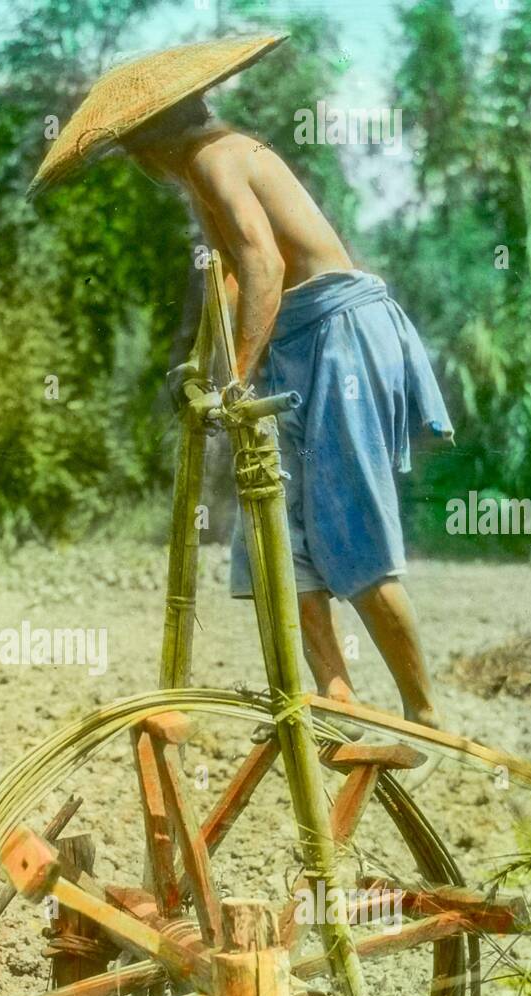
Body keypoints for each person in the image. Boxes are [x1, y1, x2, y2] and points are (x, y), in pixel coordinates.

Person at [120, 94, 454, 740]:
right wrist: (208, 368)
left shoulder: (220, 158)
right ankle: (338, 699)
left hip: (341, 335)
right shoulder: (204, 174)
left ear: (153, 146)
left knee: (350, 525)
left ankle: (425, 712)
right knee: (277, 535)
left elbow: (265, 266)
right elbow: (232, 279)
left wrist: (239, 380)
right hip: (296, 345)